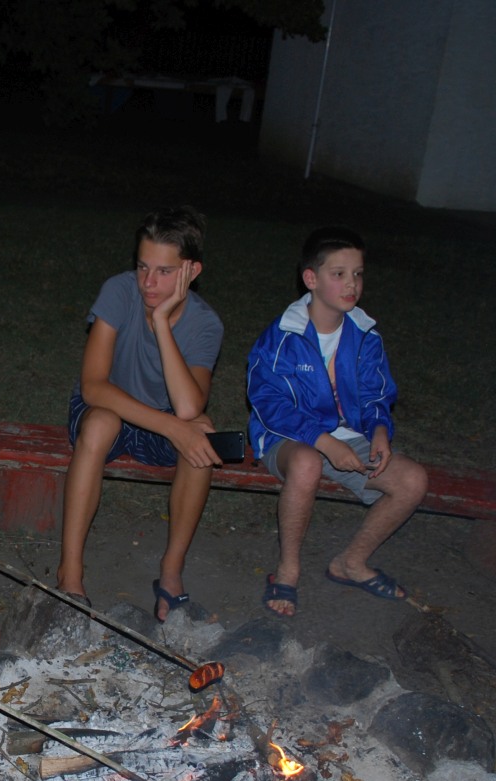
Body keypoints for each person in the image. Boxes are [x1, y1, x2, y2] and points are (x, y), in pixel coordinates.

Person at [245, 226, 428, 617]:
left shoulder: (364, 335)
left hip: (347, 437)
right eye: (339, 274)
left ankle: (351, 562)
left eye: (358, 274)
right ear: (311, 279)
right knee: (308, 463)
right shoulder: (284, 336)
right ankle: (288, 569)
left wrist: (380, 431)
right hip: (286, 437)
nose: (351, 284)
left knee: (413, 480)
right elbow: (268, 403)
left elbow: (377, 393)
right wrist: (325, 442)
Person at [55, 206, 225, 620]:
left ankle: (171, 571)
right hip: (106, 409)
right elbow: (94, 386)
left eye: (165, 271)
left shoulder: (205, 324)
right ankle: (70, 571)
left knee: (200, 440)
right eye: (142, 266)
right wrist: (173, 427)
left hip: (161, 418)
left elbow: (189, 407)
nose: (148, 282)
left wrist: (162, 323)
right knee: (102, 423)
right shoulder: (118, 291)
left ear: (191, 271)